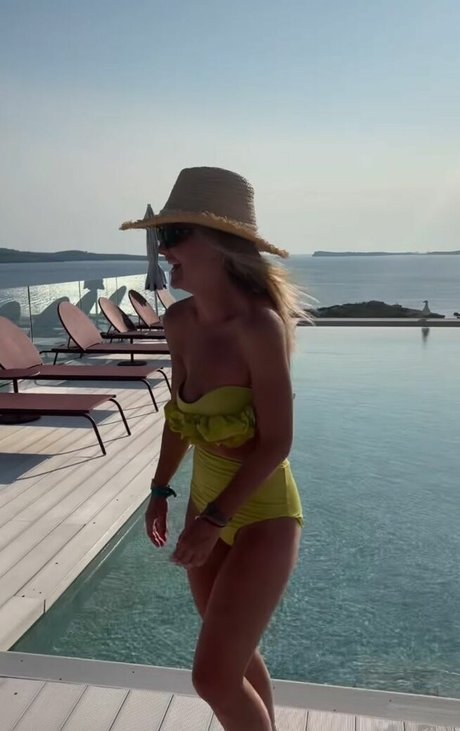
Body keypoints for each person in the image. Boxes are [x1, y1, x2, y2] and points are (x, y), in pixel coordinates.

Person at [121, 167, 305, 731]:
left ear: (221, 245)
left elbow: (277, 442)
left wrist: (214, 520)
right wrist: (160, 491)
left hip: (262, 515)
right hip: (205, 507)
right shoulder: (179, 321)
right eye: (162, 236)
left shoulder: (259, 328)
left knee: (213, 678)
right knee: (235, 663)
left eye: (174, 235)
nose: (164, 249)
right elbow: (179, 419)